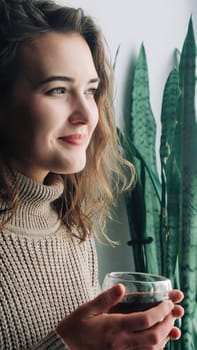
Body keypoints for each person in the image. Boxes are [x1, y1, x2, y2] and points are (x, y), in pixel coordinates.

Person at [0, 0, 184, 349]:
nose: (88, 113)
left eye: (90, 90)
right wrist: (70, 346)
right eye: (58, 90)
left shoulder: (72, 227)